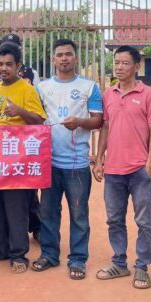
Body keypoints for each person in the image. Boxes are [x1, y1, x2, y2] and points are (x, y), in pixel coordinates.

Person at [32, 39, 103, 280]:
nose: (64, 58)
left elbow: (98, 120)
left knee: (79, 214)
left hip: (77, 164)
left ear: (76, 58)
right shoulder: (42, 88)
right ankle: (49, 254)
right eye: (60, 54)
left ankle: (78, 259)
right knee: (48, 213)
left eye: (68, 54)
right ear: (53, 59)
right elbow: (35, 119)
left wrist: (80, 122)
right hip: (49, 162)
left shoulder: (89, 87)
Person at [94, 46, 151, 289]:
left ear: (136, 66)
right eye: (116, 62)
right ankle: (119, 262)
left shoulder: (148, 94)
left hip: (139, 169)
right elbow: (105, 127)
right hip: (113, 170)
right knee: (114, 219)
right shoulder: (108, 94)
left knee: (143, 221)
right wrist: (99, 159)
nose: (119, 67)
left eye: (125, 63)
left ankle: (142, 266)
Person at [0, 43, 47, 273]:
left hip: (18, 161)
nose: (4, 68)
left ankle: (19, 254)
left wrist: (20, 111)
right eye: (0, 64)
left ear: (19, 66)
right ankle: (1, 248)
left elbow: (40, 121)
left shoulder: (27, 89)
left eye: (9, 64)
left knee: (16, 208)